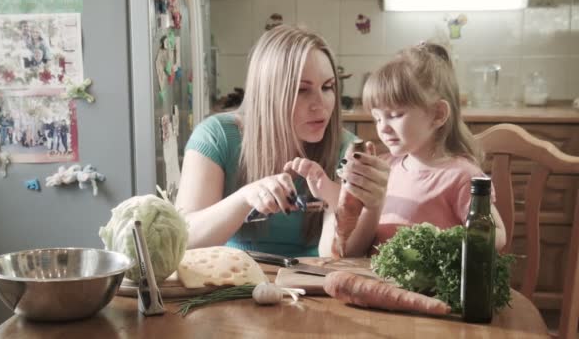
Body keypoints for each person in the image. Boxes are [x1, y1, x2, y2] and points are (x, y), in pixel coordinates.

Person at [175, 25, 386, 257]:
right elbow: (184, 240)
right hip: (232, 280)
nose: (321, 104)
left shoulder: (347, 150)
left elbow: (333, 256)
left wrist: (372, 206)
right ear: (267, 92)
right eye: (301, 90)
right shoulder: (216, 136)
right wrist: (245, 197)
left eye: (328, 87)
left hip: (312, 283)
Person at [343, 42, 506, 253]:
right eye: (377, 118)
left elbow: (498, 236)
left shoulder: (460, 176)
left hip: (425, 287)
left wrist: (441, 241)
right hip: (376, 282)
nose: (383, 127)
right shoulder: (383, 168)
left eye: (395, 115)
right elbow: (352, 250)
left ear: (438, 114)